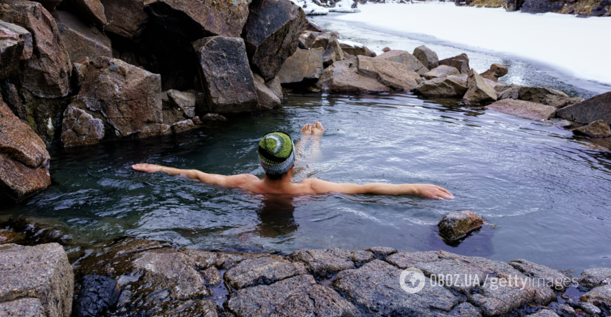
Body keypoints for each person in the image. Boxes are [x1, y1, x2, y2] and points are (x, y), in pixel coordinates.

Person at [132, 122, 454, 200]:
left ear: (260, 164)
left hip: (275, 178)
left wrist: (160, 167)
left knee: (300, 162)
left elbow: (198, 175)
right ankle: (311, 137)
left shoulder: (246, 182)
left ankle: (306, 138)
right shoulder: (309, 187)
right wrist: (412, 187)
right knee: (307, 163)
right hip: (293, 181)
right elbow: (364, 188)